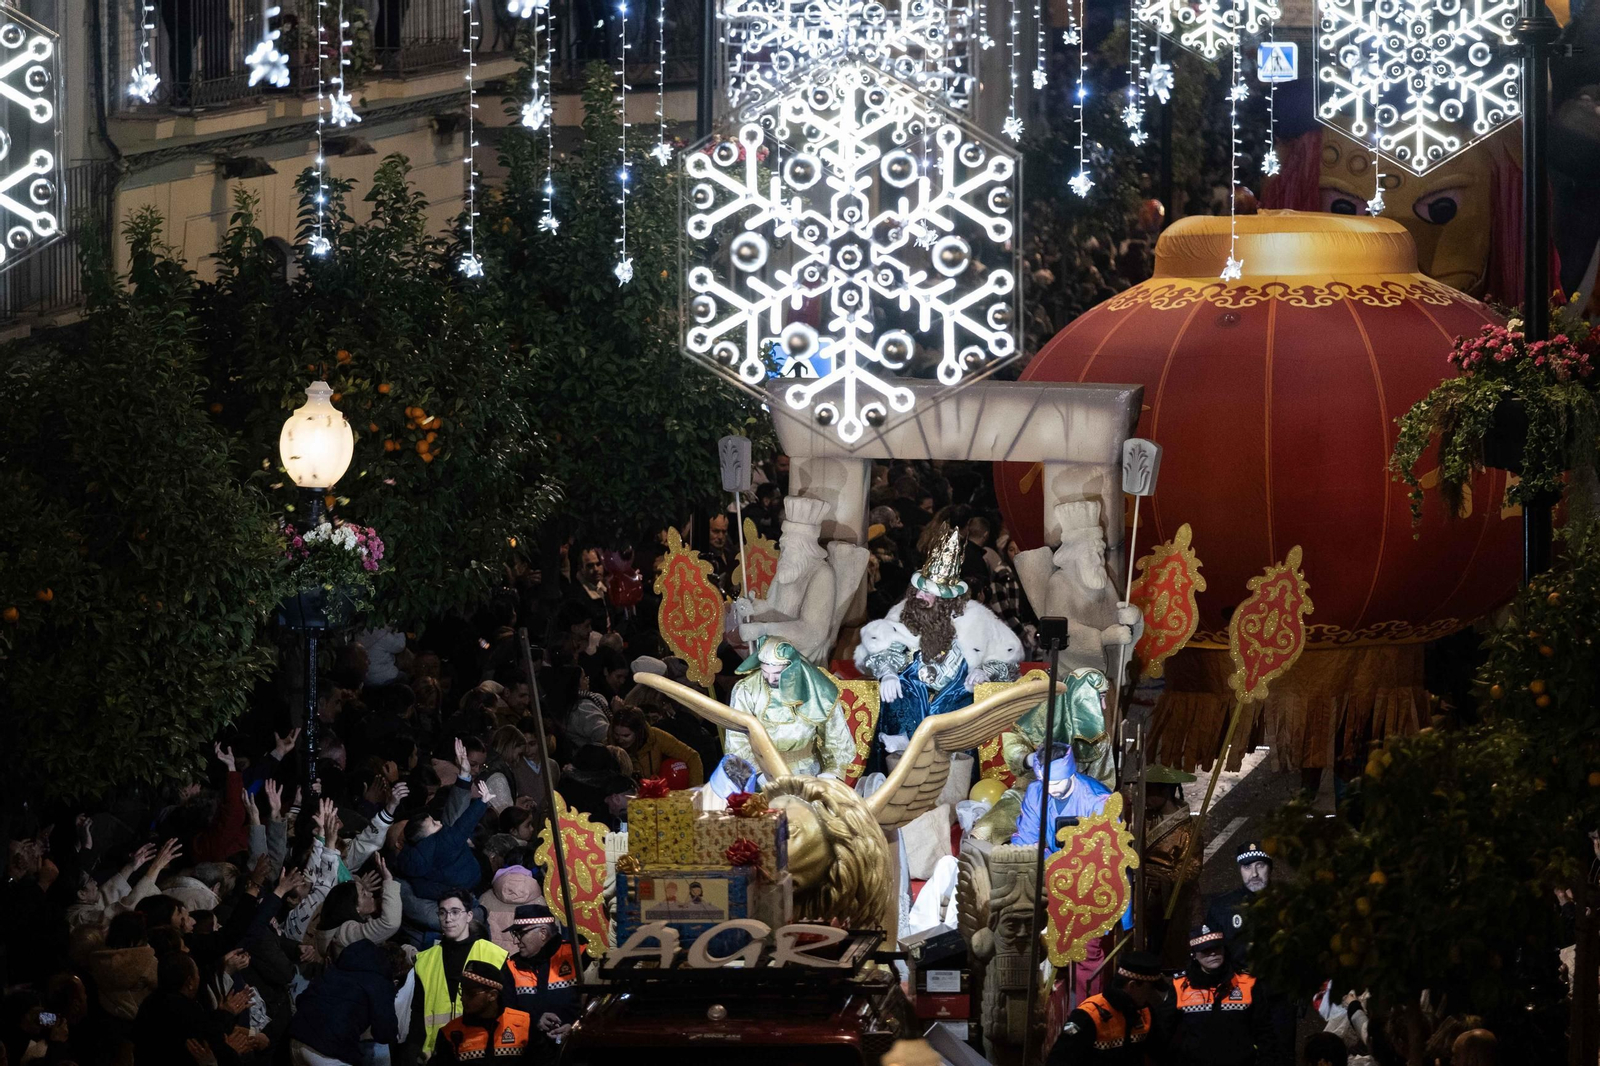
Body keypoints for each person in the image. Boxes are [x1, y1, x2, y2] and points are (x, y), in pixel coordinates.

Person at [855, 526, 1023, 739]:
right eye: (919, 590)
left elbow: (1008, 658)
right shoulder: (902, 612)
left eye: (928, 592)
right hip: (909, 707)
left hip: (958, 709)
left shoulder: (976, 618)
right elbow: (883, 648)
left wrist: (985, 671)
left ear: (945, 599)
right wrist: (887, 673)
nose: (920, 596)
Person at [711, 637, 857, 791]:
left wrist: (831, 773)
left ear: (791, 667)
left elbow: (837, 736)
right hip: (763, 773)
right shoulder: (747, 689)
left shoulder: (817, 689)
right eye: (765, 672)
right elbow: (737, 740)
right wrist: (760, 775)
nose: (770, 678)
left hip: (808, 772)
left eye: (777, 673)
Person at [403, 888, 514, 1059]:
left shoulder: (494, 955)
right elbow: (418, 1013)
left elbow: (507, 1007)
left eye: (455, 912)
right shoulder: (425, 961)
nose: (448, 919)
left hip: (481, 1051)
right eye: (442, 913)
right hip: (436, 1053)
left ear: (469, 916)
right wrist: (411, 1053)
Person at [1162, 926, 1274, 1066]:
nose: (1213, 954)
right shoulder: (1180, 985)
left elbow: (1264, 1031)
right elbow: (1165, 1031)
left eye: (1217, 948)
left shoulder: (1247, 982)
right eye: (1205, 950)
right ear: (1194, 955)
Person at [288, 939, 400, 1066]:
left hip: (297, 1040)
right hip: (327, 1053)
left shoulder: (337, 970)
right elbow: (385, 1034)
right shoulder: (381, 983)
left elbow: (302, 999)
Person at [1046, 950, 1163, 1064]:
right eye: (1150, 990)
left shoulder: (1145, 1013)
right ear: (1132, 986)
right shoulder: (1088, 1015)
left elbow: (1159, 1053)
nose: (1151, 996)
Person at [505, 903, 586, 1045]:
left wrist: (576, 1027)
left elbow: (598, 1004)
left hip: (577, 1049)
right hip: (532, 1054)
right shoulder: (511, 967)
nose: (515, 941)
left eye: (520, 934)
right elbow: (506, 1013)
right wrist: (535, 1021)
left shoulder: (578, 955)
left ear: (543, 933)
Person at [429, 960, 534, 1064]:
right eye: (462, 991)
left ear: (492, 995)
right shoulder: (450, 1033)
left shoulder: (524, 1024)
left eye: (471, 993)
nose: (463, 998)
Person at [1206, 841, 1273, 968]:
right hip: (1238, 981)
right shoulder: (1221, 906)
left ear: (1270, 868)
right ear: (1240, 870)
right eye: (1247, 867)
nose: (1254, 874)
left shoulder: (1289, 903)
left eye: (1260, 865)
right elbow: (1211, 950)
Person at [610, 705, 704, 785]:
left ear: (639, 732)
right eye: (616, 735)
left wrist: (695, 793)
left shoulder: (656, 736)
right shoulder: (609, 748)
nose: (620, 740)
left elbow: (692, 757)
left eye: (626, 735)